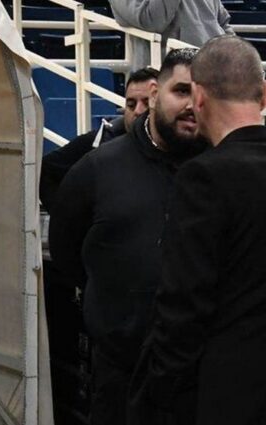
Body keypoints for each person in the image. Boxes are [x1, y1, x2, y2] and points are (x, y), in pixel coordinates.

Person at [48, 48, 206, 425]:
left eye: (201, 96)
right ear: (154, 94)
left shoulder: (217, 169)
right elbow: (66, 249)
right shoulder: (98, 167)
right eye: (180, 91)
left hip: (198, 375)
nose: (191, 105)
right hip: (119, 370)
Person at [128, 35, 266, 425]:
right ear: (263, 95)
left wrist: (159, 394)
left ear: (199, 97)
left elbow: (184, 305)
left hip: (227, 395)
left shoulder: (204, 178)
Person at [40, 67, 159, 212]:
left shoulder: (178, 150)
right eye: (131, 105)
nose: (138, 111)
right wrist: (65, 218)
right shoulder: (96, 143)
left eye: (147, 103)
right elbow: (45, 170)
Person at [111, 0, 232, 69]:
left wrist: (233, 53)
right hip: (170, 75)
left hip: (215, 68)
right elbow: (151, 20)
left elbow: (222, 21)